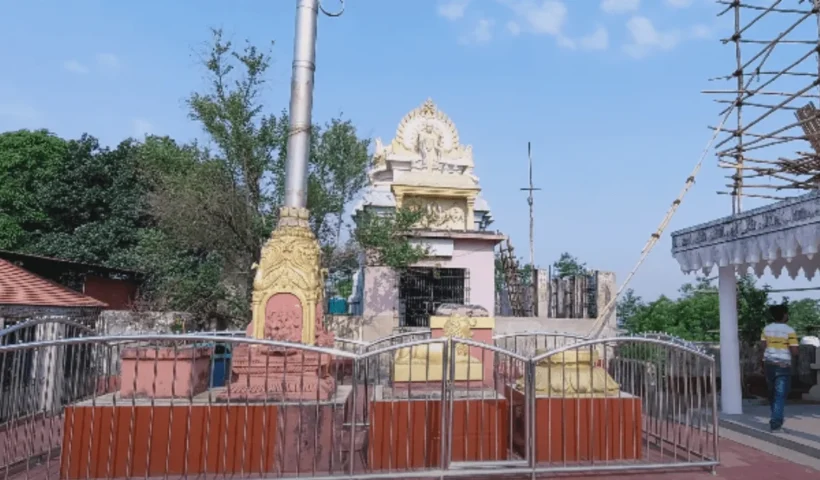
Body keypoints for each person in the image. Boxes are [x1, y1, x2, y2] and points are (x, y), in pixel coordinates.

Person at [760, 304, 799, 432]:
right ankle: (776, 423)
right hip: (783, 365)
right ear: (784, 315)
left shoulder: (766, 329)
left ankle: (775, 417)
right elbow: (794, 351)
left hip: (769, 364)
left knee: (772, 394)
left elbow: (763, 347)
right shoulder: (789, 331)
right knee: (780, 395)